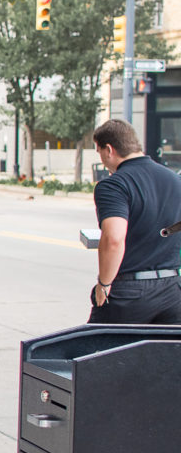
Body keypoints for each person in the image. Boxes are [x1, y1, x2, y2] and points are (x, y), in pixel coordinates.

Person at [89, 118, 181, 324]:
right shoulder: (176, 181)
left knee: (96, 352)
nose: (102, 159)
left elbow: (113, 239)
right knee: (165, 354)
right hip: (174, 291)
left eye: (99, 152)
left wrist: (103, 284)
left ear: (109, 150)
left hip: (130, 293)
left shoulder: (114, 186)